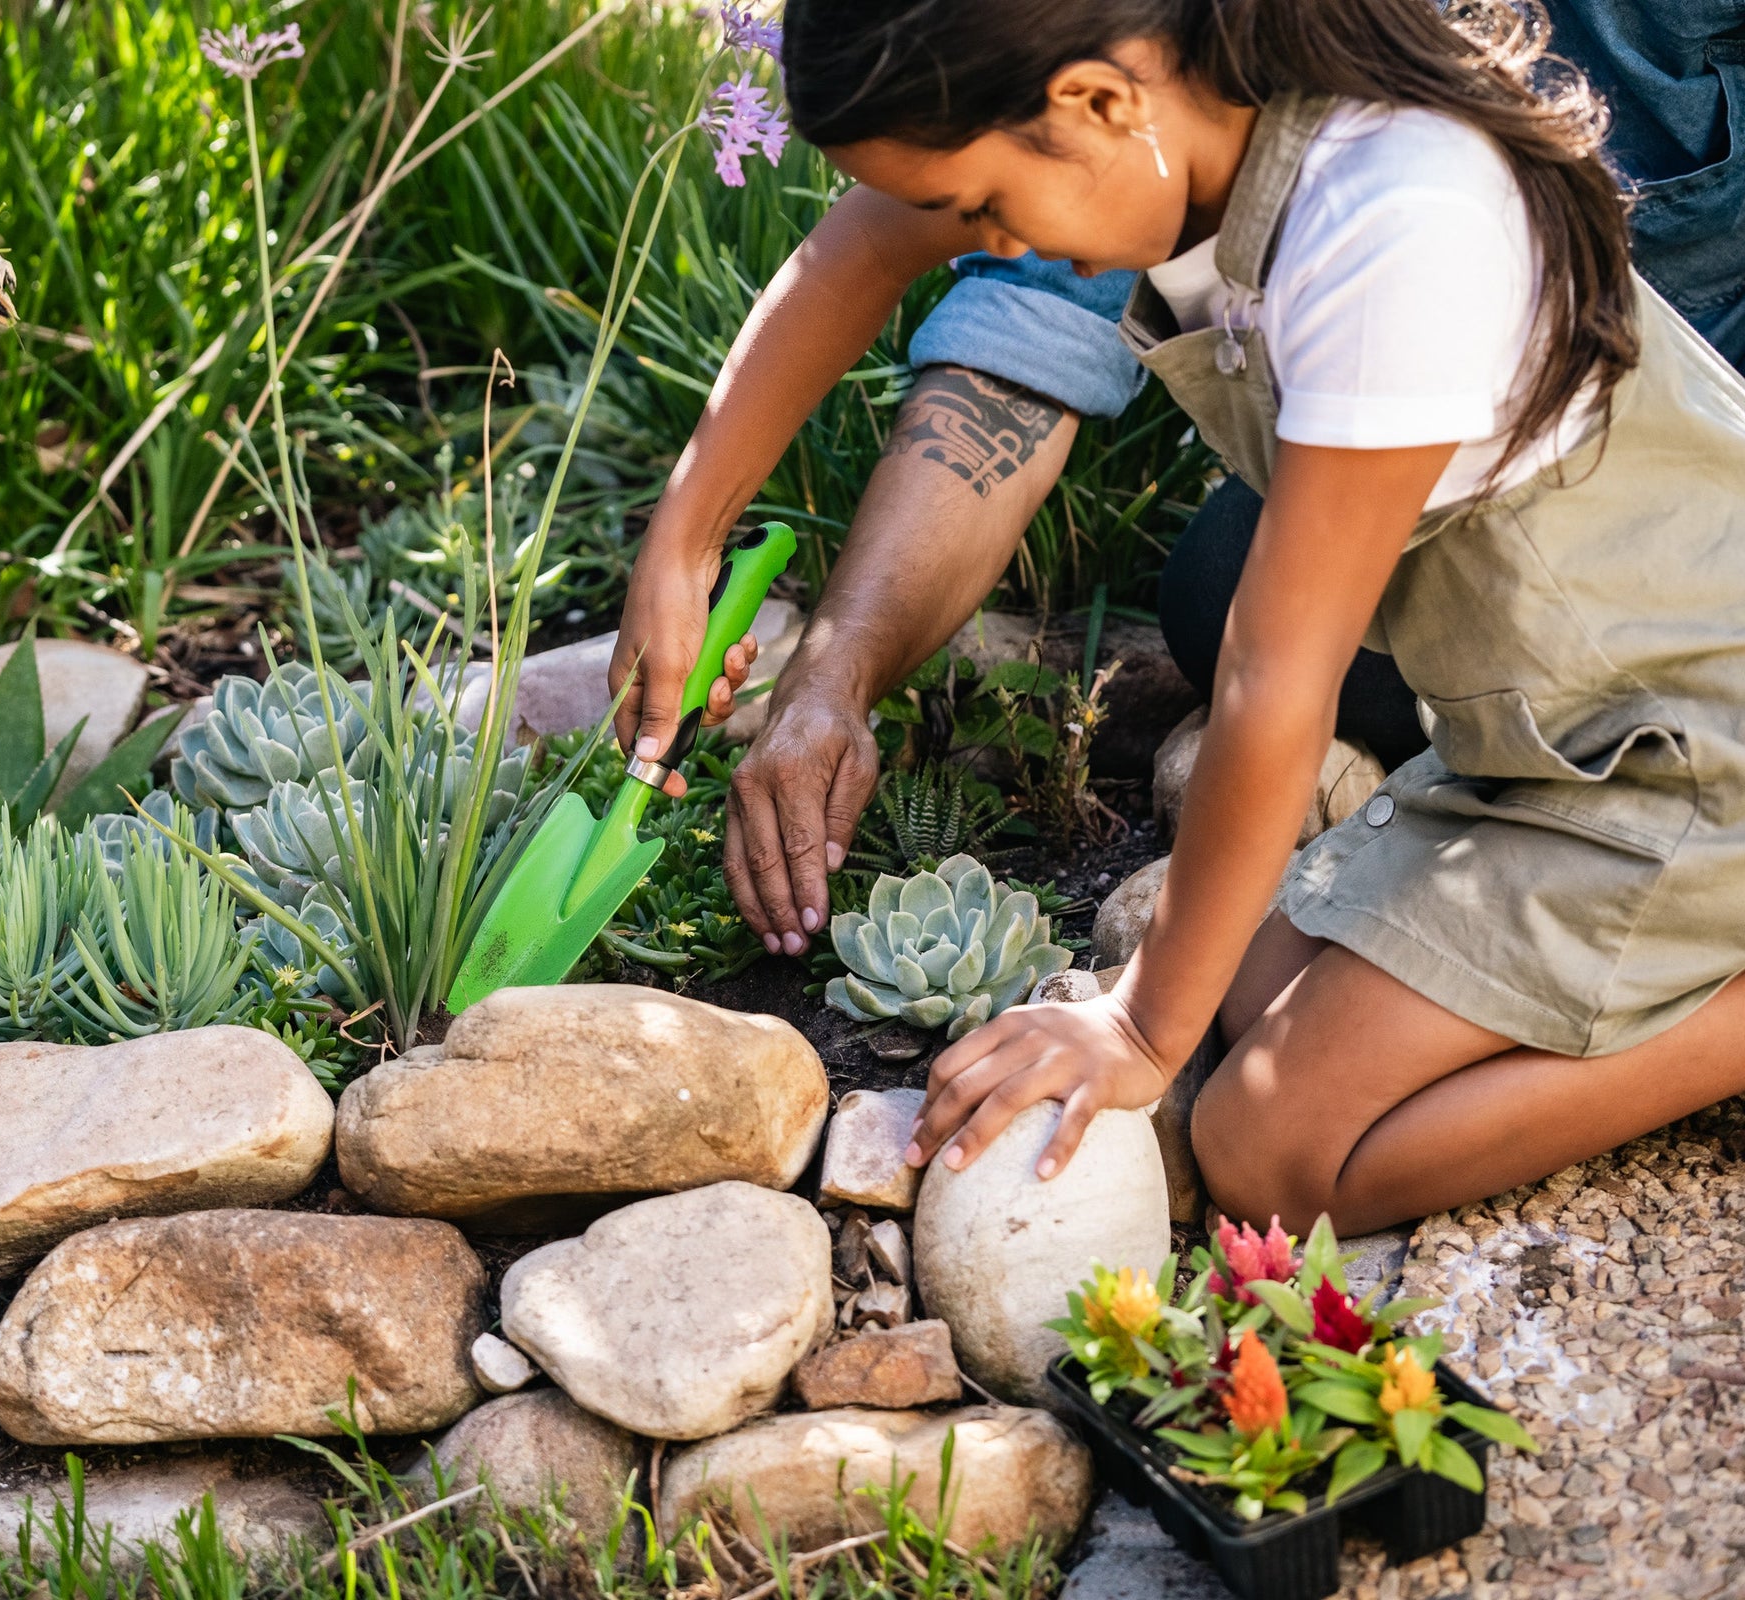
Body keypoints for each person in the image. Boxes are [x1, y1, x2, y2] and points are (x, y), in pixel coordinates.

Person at [609, 0, 1745, 1233]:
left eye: (990, 212)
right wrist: (686, 537)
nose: (986, 242)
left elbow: (1274, 679)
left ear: (1100, 102)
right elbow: (858, 253)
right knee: (1252, 999)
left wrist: (1139, 1024)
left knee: (1266, 1148)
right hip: (1542, 728)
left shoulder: (1392, 225)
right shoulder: (1183, 121)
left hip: (1684, 747)